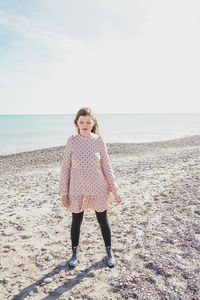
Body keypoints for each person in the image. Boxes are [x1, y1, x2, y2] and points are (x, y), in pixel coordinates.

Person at [59, 107, 122, 268]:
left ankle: (109, 251)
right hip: (76, 189)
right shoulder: (72, 141)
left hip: (98, 188)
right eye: (82, 122)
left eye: (88, 122)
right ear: (77, 123)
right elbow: (65, 167)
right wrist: (64, 193)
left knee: (103, 220)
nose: (85, 125)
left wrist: (114, 190)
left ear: (93, 123)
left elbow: (106, 166)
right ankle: (74, 253)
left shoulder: (98, 140)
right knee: (76, 221)